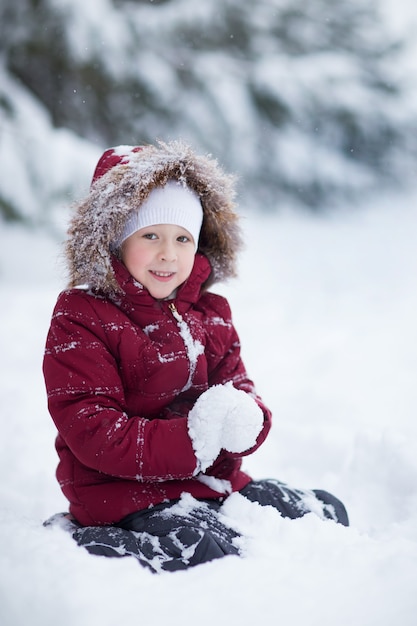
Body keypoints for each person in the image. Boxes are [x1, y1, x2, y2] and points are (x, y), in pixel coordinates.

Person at [43, 140, 348, 573]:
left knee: (314, 513)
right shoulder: (82, 317)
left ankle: (222, 514)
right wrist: (191, 440)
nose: (168, 252)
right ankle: (93, 542)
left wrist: (247, 418)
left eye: (182, 238)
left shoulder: (211, 313)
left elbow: (237, 383)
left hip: (208, 482)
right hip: (119, 491)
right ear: (114, 241)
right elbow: (95, 430)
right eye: (151, 236)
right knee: (201, 549)